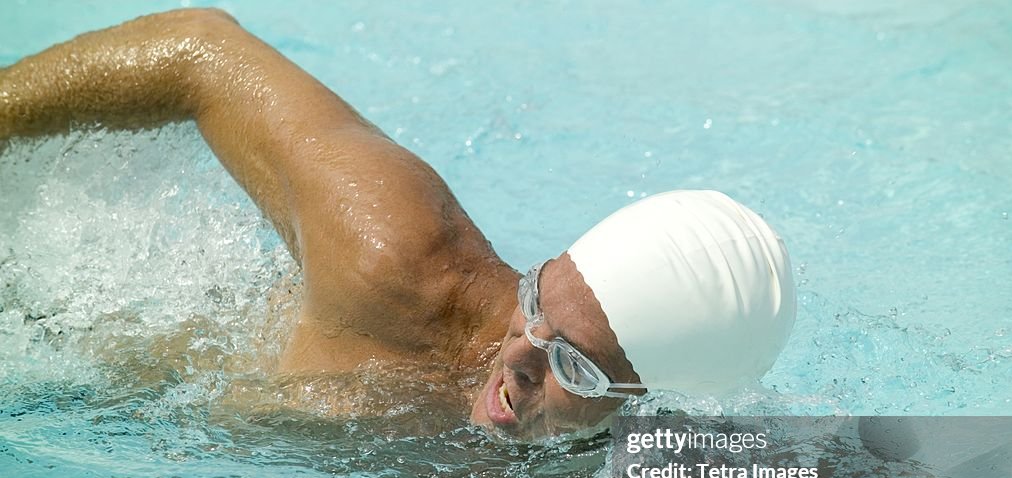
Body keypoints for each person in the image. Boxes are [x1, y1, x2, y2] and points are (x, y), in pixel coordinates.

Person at [0, 9, 796, 440]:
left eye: (578, 371)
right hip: (48, 353)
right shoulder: (389, 250)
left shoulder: (639, 455)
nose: (519, 361)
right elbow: (199, 52)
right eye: (534, 307)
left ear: (650, 403)